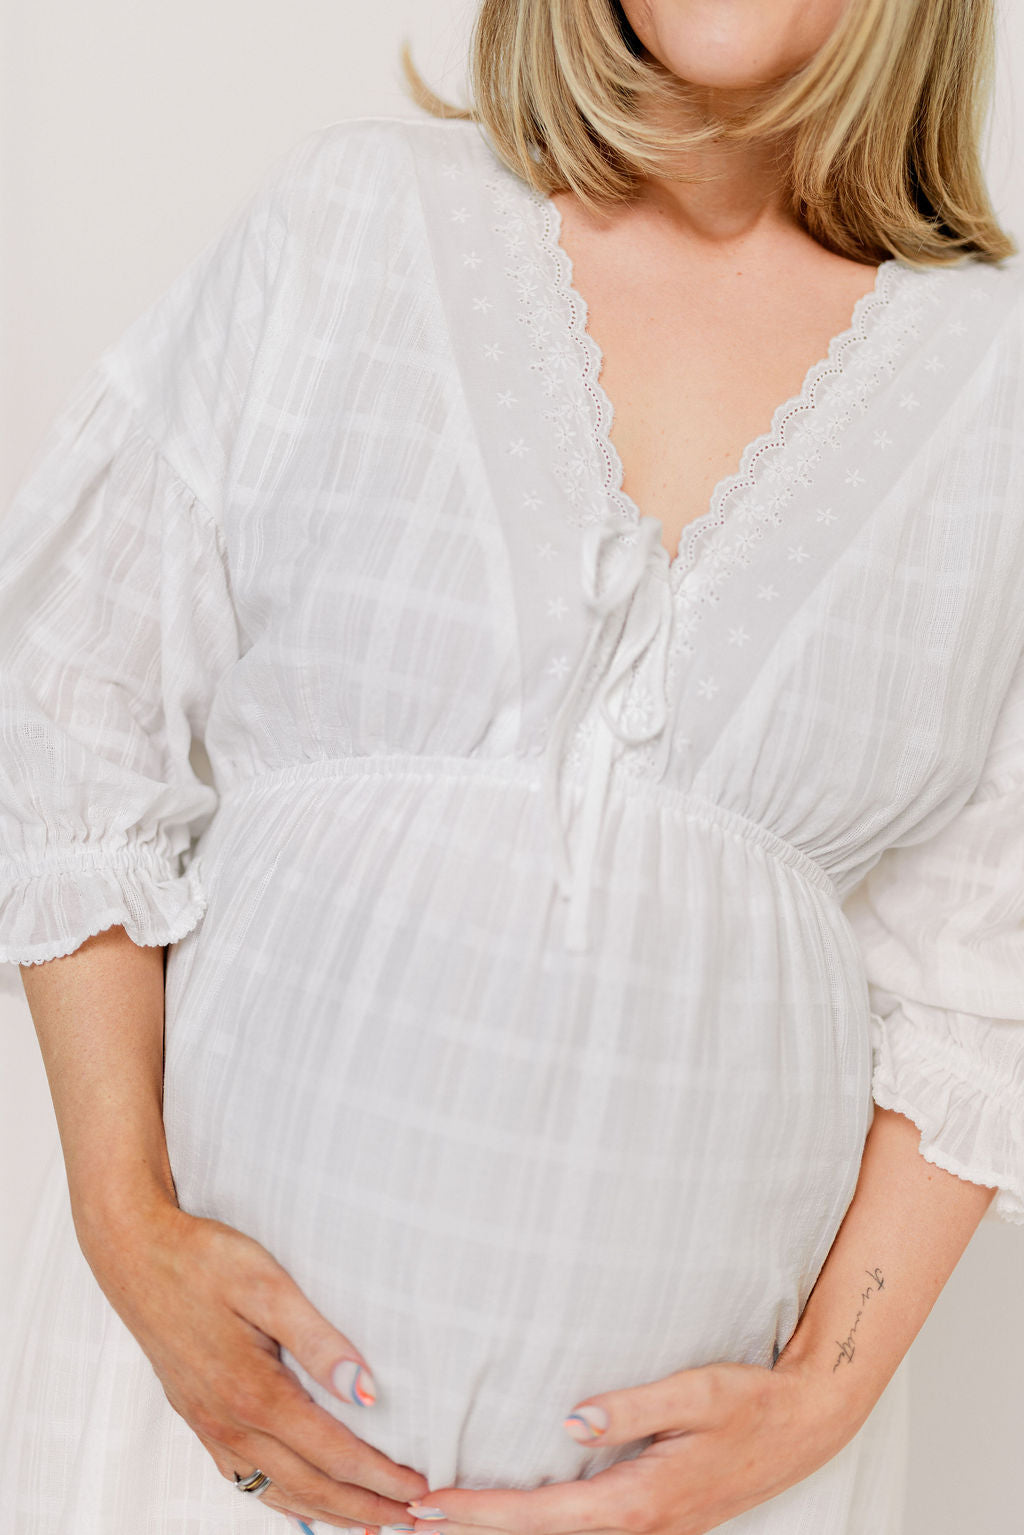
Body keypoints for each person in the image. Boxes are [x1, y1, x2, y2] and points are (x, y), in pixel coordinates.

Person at [0, 0, 1022, 1530]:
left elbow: (989, 967)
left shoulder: (998, 391)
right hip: (196, 1437)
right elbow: (67, 705)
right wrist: (124, 1224)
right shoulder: (354, 226)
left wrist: (827, 1393)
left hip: (706, 1506)